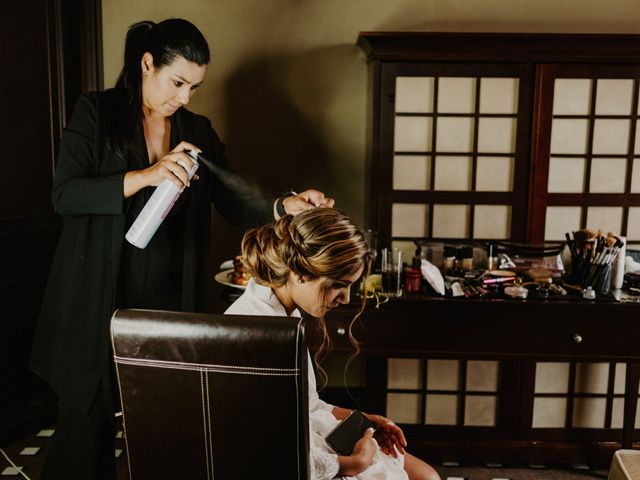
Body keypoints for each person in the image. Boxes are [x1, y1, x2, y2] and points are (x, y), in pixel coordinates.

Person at [30, 18, 332, 479]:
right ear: (147, 64)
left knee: (166, 423)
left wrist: (283, 205)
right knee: (83, 427)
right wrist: (146, 177)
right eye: (178, 82)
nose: (185, 97)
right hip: (98, 297)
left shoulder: (197, 130)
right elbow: (65, 194)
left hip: (170, 302)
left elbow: (235, 200)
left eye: (194, 86)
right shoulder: (96, 113)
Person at [225, 208, 440, 480]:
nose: (346, 298)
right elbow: (257, 448)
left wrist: (362, 418)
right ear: (299, 273)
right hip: (294, 457)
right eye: (339, 285)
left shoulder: (281, 307)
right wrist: (352, 464)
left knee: (426, 475)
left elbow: (307, 404)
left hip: (309, 432)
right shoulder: (257, 333)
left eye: (351, 285)